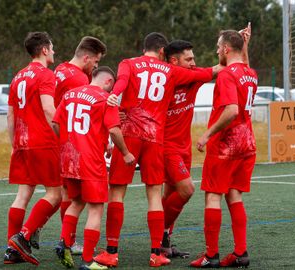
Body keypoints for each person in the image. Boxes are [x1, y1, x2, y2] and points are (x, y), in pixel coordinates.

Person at [94, 32, 220, 268]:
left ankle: (111, 252)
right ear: (163, 52)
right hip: (155, 138)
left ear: (145, 47)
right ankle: (156, 254)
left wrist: (114, 96)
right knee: (154, 194)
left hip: (131, 134)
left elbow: (121, 82)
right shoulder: (170, 71)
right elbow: (210, 71)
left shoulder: (128, 63)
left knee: (117, 193)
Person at [52, 66, 135, 270]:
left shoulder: (70, 94)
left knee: (76, 201)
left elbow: (55, 123)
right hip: (90, 161)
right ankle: (89, 260)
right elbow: (114, 131)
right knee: (96, 208)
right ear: (108, 82)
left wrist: (71, 142)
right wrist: (125, 153)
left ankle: (64, 242)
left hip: (69, 158)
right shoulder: (106, 99)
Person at [190, 24, 256, 268]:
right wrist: (245, 44)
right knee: (235, 195)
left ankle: (211, 255)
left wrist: (207, 134)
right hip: (246, 143)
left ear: (226, 49)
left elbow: (231, 110)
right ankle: (240, 252)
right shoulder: (251, 73)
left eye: (219, 47)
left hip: (226, 145)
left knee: (213, 197)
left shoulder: (227, 74)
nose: (217, 50)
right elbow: (244, 67)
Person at [5, 32, 61, 266]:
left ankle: (11, 250)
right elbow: (49, 109)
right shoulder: (45, 75)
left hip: (23, 142)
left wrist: (14, 144)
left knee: (23, 195)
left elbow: (10, 115)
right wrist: (64, 135)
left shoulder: (18, 76)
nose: (55, 52)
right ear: (45, 50)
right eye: (52, 47)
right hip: (43, 142)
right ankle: (24, 236)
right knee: (56, 194)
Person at [160, 39, 214, 259]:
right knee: (187, 190)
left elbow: (217, 69)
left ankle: (164, 243)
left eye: (194, 58)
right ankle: (158, 232)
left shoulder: (193, 79)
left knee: (171, 193)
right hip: (166, 147)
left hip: (184, 147)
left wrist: (241, 46)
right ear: (174, 60)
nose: (194, 62)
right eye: (189, 59)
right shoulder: (164, 77)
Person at [54, 36, 107, 255]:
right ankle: (83, 253)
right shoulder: (81, 82)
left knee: (70, 198)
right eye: (95, 62)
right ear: (86, 57)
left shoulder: (61, 69)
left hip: (65, 147)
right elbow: (106, 127)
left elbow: (57, 118)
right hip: (82, 150)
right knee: (92, 205)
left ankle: (65, 242)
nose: (95, 66)